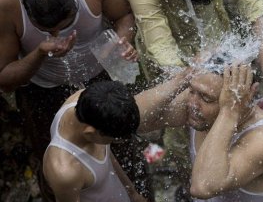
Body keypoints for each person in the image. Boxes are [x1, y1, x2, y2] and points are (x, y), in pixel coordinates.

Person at [0, 0, 139, 199]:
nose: (58, 36)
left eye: (65, 25)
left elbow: (125, 17)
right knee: (57, 169)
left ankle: (138, 194)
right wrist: (40, 54)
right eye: (48, 30)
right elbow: (5, 79)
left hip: (99, 80)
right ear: (28, 11)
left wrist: (119, 43)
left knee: (124, 149)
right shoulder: (6, 2)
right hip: (45, 91)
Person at [120, 0, 263, 119]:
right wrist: (191, 88)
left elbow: (257, 12)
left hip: (211, 25)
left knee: (227, 100)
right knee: (187, 115)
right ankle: (182, 147)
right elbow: (160, 46)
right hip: (164, 35)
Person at [138, 63, 263, 201]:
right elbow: (133, 120)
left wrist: (230, 112)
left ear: (240, 99)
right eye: (192, 91)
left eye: (206, 98)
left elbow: (202, 187)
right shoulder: (199, 101)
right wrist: (182, 78)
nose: (192, 104)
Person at [43, 70, 193, 202]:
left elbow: (107, 157)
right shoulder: (64, 171)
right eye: (114, 139)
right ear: (90, 132)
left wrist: (132, 193)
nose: (117, 142)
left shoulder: (83, 101)